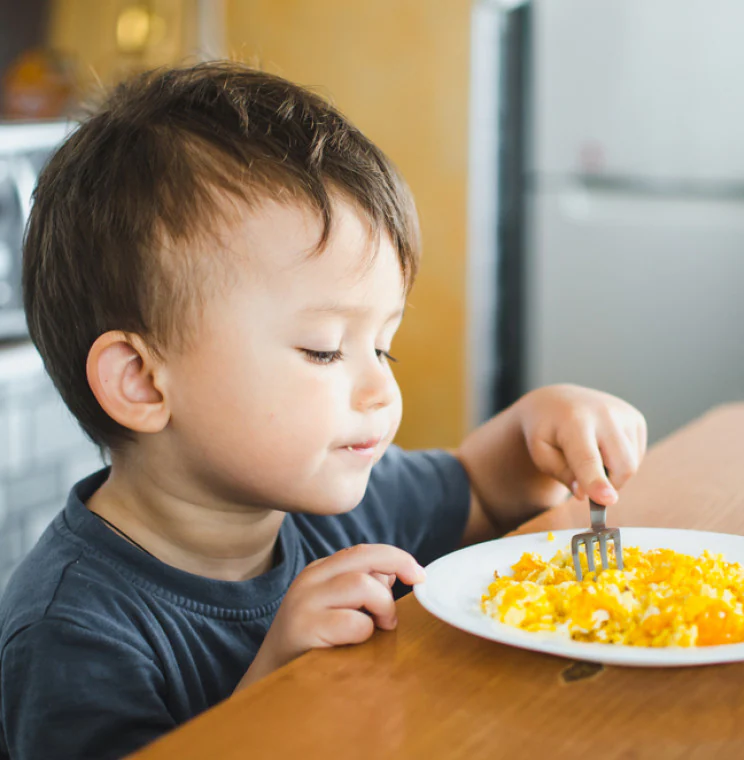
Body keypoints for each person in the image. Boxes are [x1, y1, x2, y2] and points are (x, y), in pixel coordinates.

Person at [0, 62, 646, 760]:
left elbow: (487, 488)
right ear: (144, 384)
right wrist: (274, 687)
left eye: (384, 347)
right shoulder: (71, 633)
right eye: (324, 350)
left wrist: (541, 427)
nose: (380, 391)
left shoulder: (334, 503)